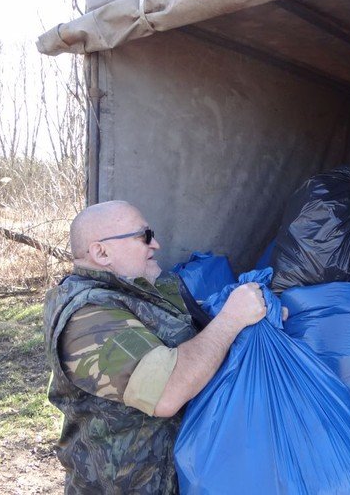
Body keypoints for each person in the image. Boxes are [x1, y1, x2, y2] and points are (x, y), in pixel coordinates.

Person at [43, 200, 271, 494]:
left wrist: (254, 315)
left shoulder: (134, 291)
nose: (156, 245)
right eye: (144, 237)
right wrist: (230, 320)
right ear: (101, 252)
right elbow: (167, 392)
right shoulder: (87, 318)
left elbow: (182, 328)